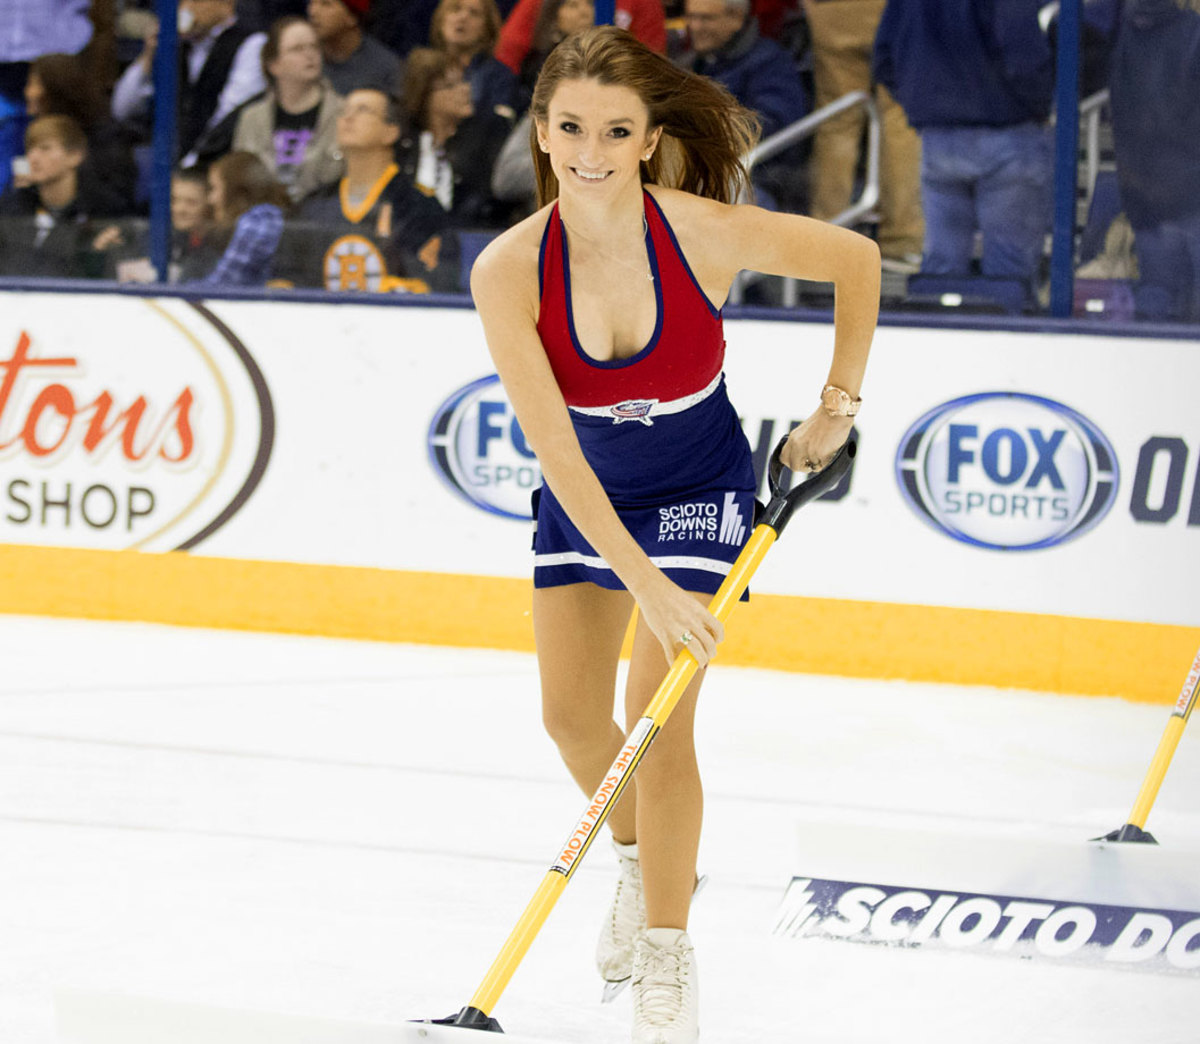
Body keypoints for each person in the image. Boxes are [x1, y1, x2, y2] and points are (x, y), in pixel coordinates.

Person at [470, 25, 878, 1043]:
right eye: (571, 127)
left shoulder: (701, 232)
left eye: (616, 129)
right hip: (588, 498)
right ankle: (640, 862)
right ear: (544, 130)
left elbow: (858, 258)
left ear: (650, 139)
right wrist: (642, 583)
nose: (592, 149)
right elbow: (557, 455)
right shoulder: (509, 269)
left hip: (699, 491)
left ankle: (667, 953)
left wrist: (838, 406)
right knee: (570, 720)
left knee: (655, 723)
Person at [873, 0, 1054, 295]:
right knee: (1009, 275)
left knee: (941, 270)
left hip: (939, 137)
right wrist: (1039, 102)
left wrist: (922, 102)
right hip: (1007, 130)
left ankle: (938, 332)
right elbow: (1022, 52)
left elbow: (884, 57)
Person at [290, 86, 458, 292]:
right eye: (344, 112)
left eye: (362, 110)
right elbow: (290, 277)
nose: (348, 118)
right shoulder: (315, 204)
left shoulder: (420, 208)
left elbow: (438, 282)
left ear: (391, 132)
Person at [801, 0, 922, 270]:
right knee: (900, 121)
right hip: (894, 9)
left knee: (837, 122)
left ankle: (825, 234)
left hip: (832, 11)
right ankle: (901, 241)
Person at [1106, 0, 1200, 322]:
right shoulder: (1192, 33)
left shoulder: (1122, 34)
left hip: (1145, 190)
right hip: (1191, 189)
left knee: (1157, 300)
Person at [676, 0, 809, 209]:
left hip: (760, 177)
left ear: (736, 19)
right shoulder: (691, 63)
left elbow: (773, 124)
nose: (694, 26)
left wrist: (704, 128)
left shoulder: (770, 62)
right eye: (691, 17)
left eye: (706, 18)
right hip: (699, 172)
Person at [111, 0, 268, 164]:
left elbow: (228, 116)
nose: (186, 8)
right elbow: (122, 109)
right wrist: (149, 55)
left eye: (196, 1)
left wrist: (190, 165)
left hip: (215, 161)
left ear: (226, 4)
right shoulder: (174, 46)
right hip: (165, 160)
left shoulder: (251, 44)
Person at [232, 16, 345, 202]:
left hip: (322, 220)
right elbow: (239, 178)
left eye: (314, 46)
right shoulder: (251, 118)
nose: (310, 55)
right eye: (297, 49)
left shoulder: (344, 112)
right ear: (274, 65)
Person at [396, 47, 512, 228]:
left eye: (464, 81)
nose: (465, 89)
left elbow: (488, 197)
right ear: (425, 95)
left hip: (473, 234)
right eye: (451, 85)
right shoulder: (405, 142)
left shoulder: (489, 131)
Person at [24, 52, 138, 216]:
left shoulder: (108, 140)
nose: (27, 92)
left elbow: (117, 202)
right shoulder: (34, 130)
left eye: (33, 83)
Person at [0, 114, 112, 278]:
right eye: (30, 149)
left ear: (75, 156)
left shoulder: (103, 210)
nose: (33, 157)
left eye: (45, 148)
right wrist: (17, 195)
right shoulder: (13, 207)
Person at [495, 0, 667, 76]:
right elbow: (507, 53)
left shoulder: (644, 3)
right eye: (573, 5)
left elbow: (651, 63)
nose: (584, 12)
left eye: (589, 4)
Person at [194, 149, 288, 286]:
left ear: (235, 189)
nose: (211, 199)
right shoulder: (256, 219)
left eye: (215, 188)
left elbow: (223, 284)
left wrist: (172, 293)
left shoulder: (258, 221)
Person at [428, 0, 519, 117]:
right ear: (441, 20)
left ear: (487, 29)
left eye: (474, 13)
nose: (463, 17)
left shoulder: (499, 77)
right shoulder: (422, 67)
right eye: (455, 9)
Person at [307, 0, 402, 96]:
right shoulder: (302, 58)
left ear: (352, 17)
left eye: (326, 4)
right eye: (312, 3)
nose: (313, 12)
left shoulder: (385, 69)